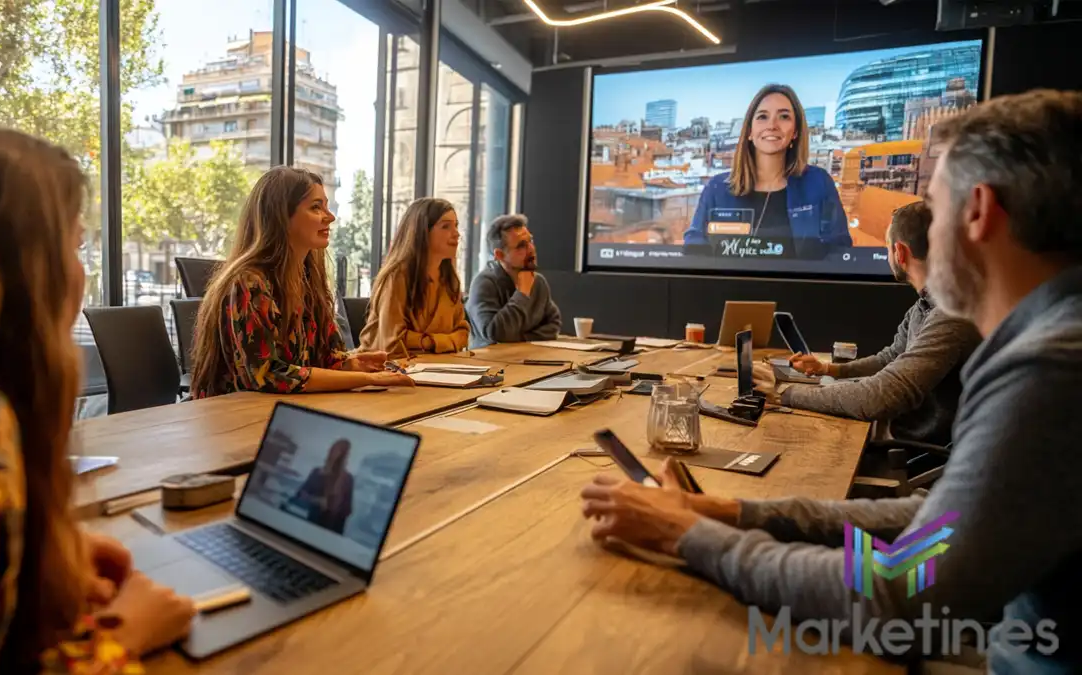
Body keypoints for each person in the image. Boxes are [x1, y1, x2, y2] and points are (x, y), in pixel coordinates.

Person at [580, 90, 1082, 671]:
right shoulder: (1050, 341)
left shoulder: (1052, 368)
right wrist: (732, 511)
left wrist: (690, 536)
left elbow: (899, 585)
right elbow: (936, 524)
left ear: (978, 211)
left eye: (935, 210)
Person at [0, 124, 195, 673]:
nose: (81, 271)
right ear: (24, 268)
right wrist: (125, 635)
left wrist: (22, 554)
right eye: (75, 246)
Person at [755, 201, 981, 446]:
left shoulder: (951, 315)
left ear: (900, 253)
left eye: (886, 247)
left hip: (914, 456)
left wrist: (784, 395)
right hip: (902, 442)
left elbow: (878, 397)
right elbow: (890, 358)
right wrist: (828, 369)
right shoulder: (925, 306)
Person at [190, 167, 413, 396]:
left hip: (284, 410)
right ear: (281, 217)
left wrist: (351, 364)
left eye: (326, 205)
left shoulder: (308, 280)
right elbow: (268, 375)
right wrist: (366, 379)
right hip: (234, 417)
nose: (330, 216)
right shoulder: (248, 283)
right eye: (316, 207)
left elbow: (324, 357)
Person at [682, 84, 851, 260]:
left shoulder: (818, 183)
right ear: (749, 131)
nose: (772, 125)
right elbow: (695, 246)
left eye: (784, 117)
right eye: (762, 116)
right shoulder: (717, 188)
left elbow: (839, 251)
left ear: (795, 132)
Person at [359, 198, 470, 356]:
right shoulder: (397, 277)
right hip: (385, 370)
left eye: (456, 225)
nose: (457, 234)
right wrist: (444, 341)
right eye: (446, 226)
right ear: (422, 232)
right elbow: (393, 343)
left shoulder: (449, 279)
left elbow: (463, 334)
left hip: (436, 368)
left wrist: (426, 342)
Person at [466, 214, 562, 348]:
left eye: (531, 241)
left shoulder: (538, 282)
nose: (531, 249)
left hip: (527, 357)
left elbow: (553, 325)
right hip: (489, 362)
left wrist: (518, 338)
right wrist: (522, 293)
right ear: (500, 255)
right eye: (521, 246)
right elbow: (494, 334)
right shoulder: (484, 283)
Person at [295, 440, 356, 534]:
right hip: (311, 526)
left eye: (342, 453)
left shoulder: (347, 479)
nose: (337, 456)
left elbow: (347, 510)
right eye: (334, 451)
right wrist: (317, 500)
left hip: (332, 532)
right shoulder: (317, 472)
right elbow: (299, 494)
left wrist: (331, 505)